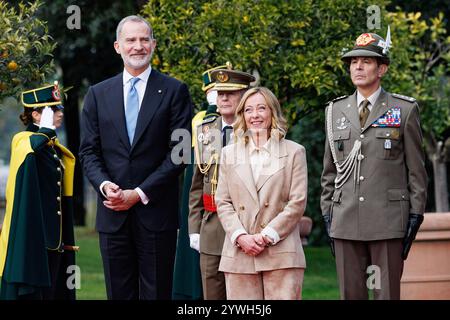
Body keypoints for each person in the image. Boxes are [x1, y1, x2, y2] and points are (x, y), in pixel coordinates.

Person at [79, 15, 193, 300]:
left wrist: (140, 193)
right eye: (131, 40)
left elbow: (179, 153)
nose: (138, 46)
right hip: (112, 213)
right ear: (118, 46)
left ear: (153, 45)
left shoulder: (174, 90)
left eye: (144, 40)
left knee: (156, 293)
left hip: (156, 213)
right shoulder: (97, 94)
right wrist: (106, 185)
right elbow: (88, 152)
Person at [320, 32, 428, 300]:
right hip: (345, 220)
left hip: (387, 220)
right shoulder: (335, 111)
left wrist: (415, 216)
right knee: (351, 295)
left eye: (366, 62)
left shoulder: (403, 110)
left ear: (382, 68)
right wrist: (328, 212)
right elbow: (329, 171)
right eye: (353, 61)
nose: (357, 67)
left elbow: (416, 171)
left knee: (385, 295)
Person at [215, 87, 308, 300]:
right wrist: (241, 237)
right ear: (242, 115)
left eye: (261, 108)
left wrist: (266, 236)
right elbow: (223, 201)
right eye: (248, 110)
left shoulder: (294, 151)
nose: (255, 115)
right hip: (239, 252)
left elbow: (297, 202)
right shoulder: (229, 153)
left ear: (272, 112)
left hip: (281, 252)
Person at [0, 82, 77, 300]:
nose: (60, 113)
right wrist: (43, 131)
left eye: (59, 108)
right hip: (34, 236)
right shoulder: (25, 142)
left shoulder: (50, 146)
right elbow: (30, 149)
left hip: (53, 238)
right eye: (54, 109)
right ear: (36, 114)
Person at [188, 65, 255, 299]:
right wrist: (194, 229)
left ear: (244, 95)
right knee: (212, 294)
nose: (224, 97)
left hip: (246, 226)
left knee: (243, 296)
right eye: (220, 93)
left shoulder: (256, 131)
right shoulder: (205, 131)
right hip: (212, 226)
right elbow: (197, 184)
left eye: (231, 93)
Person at [172, 64, 224, 300]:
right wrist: (213, 108)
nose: (221, 97)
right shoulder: (203, 121)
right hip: (207, 205)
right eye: (216, 92)